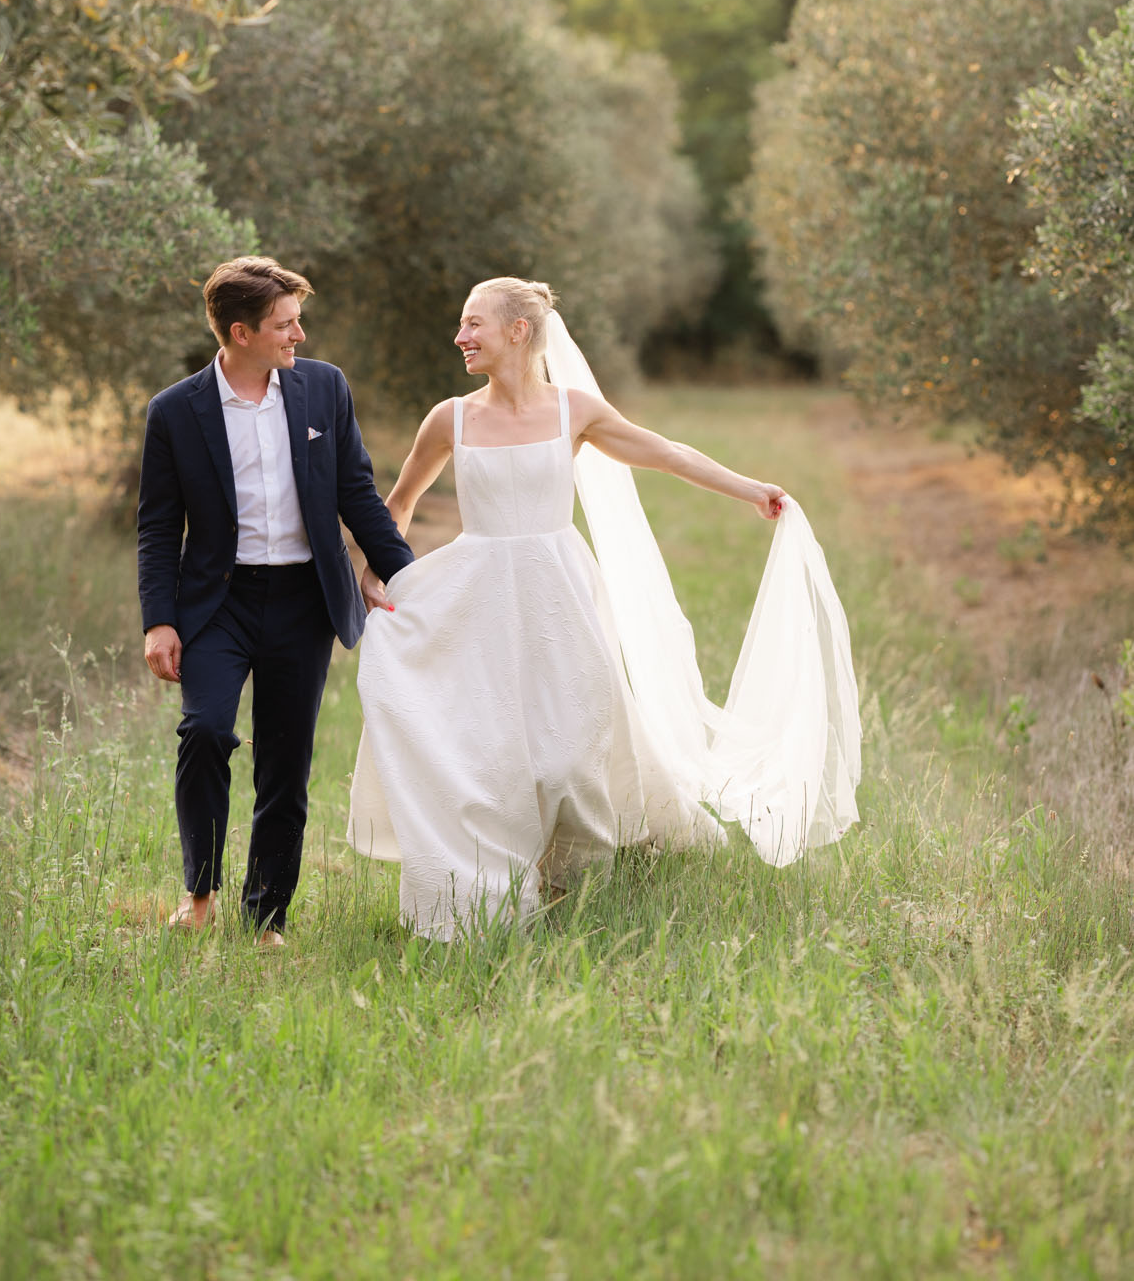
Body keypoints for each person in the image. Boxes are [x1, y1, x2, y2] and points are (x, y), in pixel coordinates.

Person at [348, 277, 860, 940]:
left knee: (566, 748)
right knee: (493, 741)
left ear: (517, 331)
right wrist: (377, 567)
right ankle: (495, 874)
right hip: (477, 595)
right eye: (460, 324)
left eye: (472, 323)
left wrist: (749, 489)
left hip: (557, 593)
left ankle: (567, 875)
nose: (460, 336)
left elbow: (666, 454)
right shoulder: (450, 417)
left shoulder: (574, 412)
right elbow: (401, 501)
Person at [138, 255, 413, 939]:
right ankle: (197, 895)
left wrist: (407, 578)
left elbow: (356, 491)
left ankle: (267, 919)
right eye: (285, 325)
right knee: (204, 732)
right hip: (216, 605)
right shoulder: (175, 411)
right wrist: (159, 621)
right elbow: (157, 527)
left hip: (302, 600)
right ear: (240, 332)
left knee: (284, 766)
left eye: (298, 322)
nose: (299, 337)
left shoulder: (323, 389)